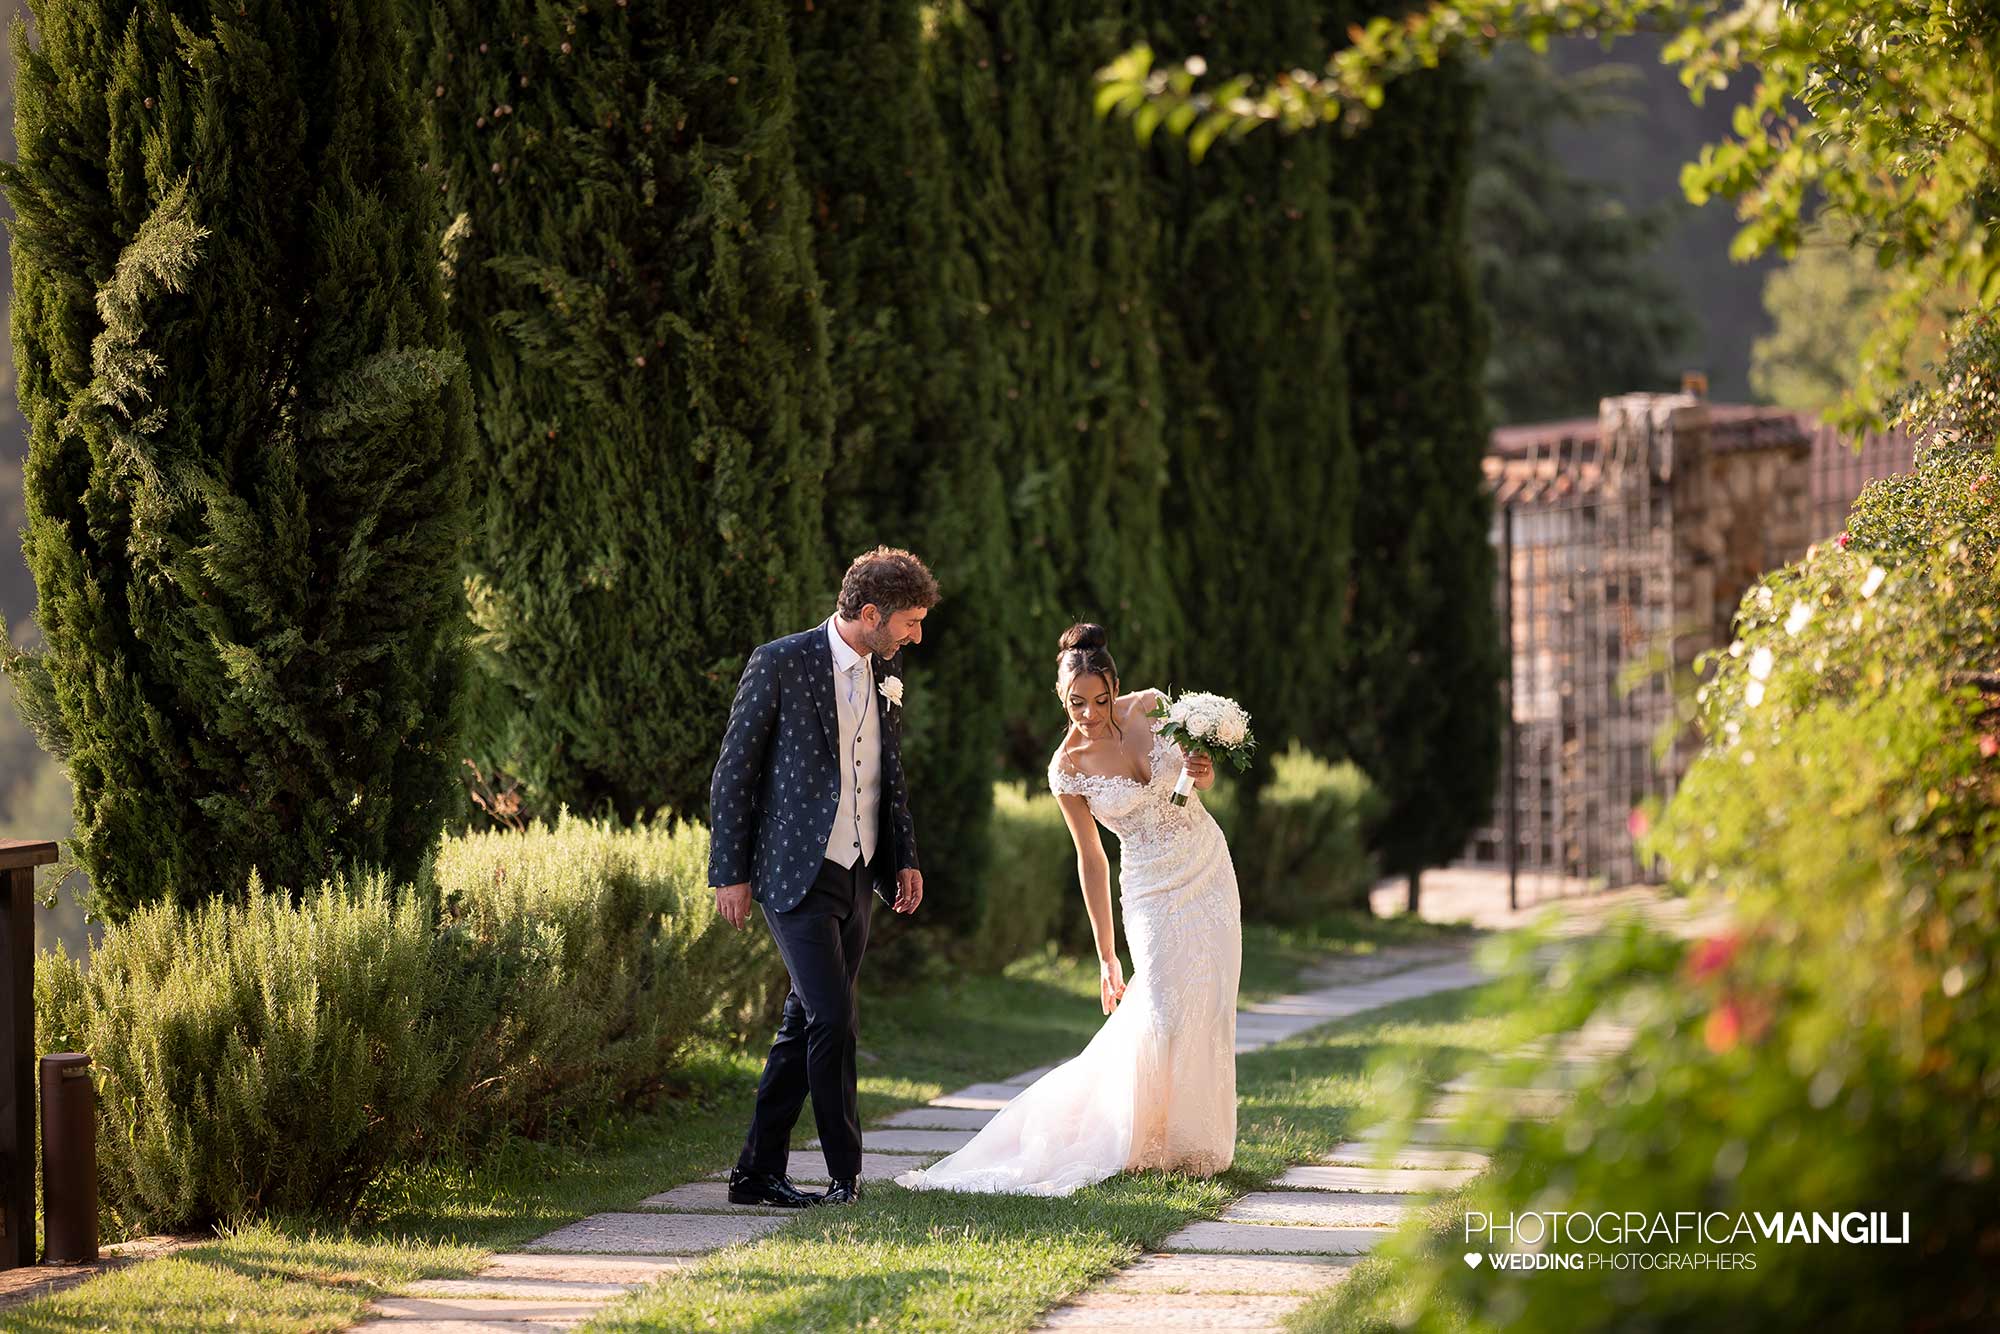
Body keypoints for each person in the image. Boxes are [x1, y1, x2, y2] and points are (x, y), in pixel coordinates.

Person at [897, 622, 1242, 1196]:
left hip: (1207, 867)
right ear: (1062, 697)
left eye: (1102, 699)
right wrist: (1107, 956)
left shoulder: (1153, 707)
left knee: (1207, 1000)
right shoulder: (1068, 768)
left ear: (1115, 686)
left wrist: (1201, 770)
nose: (1092, 712)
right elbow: (1092, 860)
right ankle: (1138, 1137)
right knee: (1162, 1006)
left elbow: (1192, 772)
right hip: (1152, 888)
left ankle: (1193, 1145)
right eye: (1078, 702)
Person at [709, 546, 936, 1208]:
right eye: (910, 622)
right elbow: (734, 773)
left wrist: (904, 857)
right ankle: (846, 1175)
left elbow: (888, 773)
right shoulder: (780, 661)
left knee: (804, 1021)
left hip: (858, 873)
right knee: (833, 1019)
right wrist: (730, 871)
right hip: (790, 872)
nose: (915, 636)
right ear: (872, 614)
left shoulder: (886, 672)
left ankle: (755, 1173)